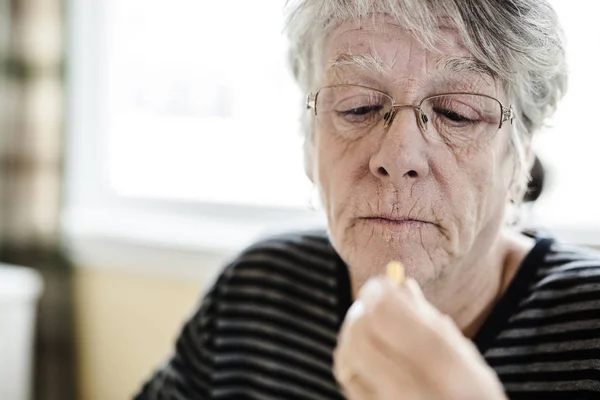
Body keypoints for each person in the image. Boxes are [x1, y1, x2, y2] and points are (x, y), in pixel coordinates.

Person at [135, 0, 600, 399]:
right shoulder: (252, 293)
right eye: (357, 106)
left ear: (519, 155)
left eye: (456, 113)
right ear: (309, 143)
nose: (397, 157)